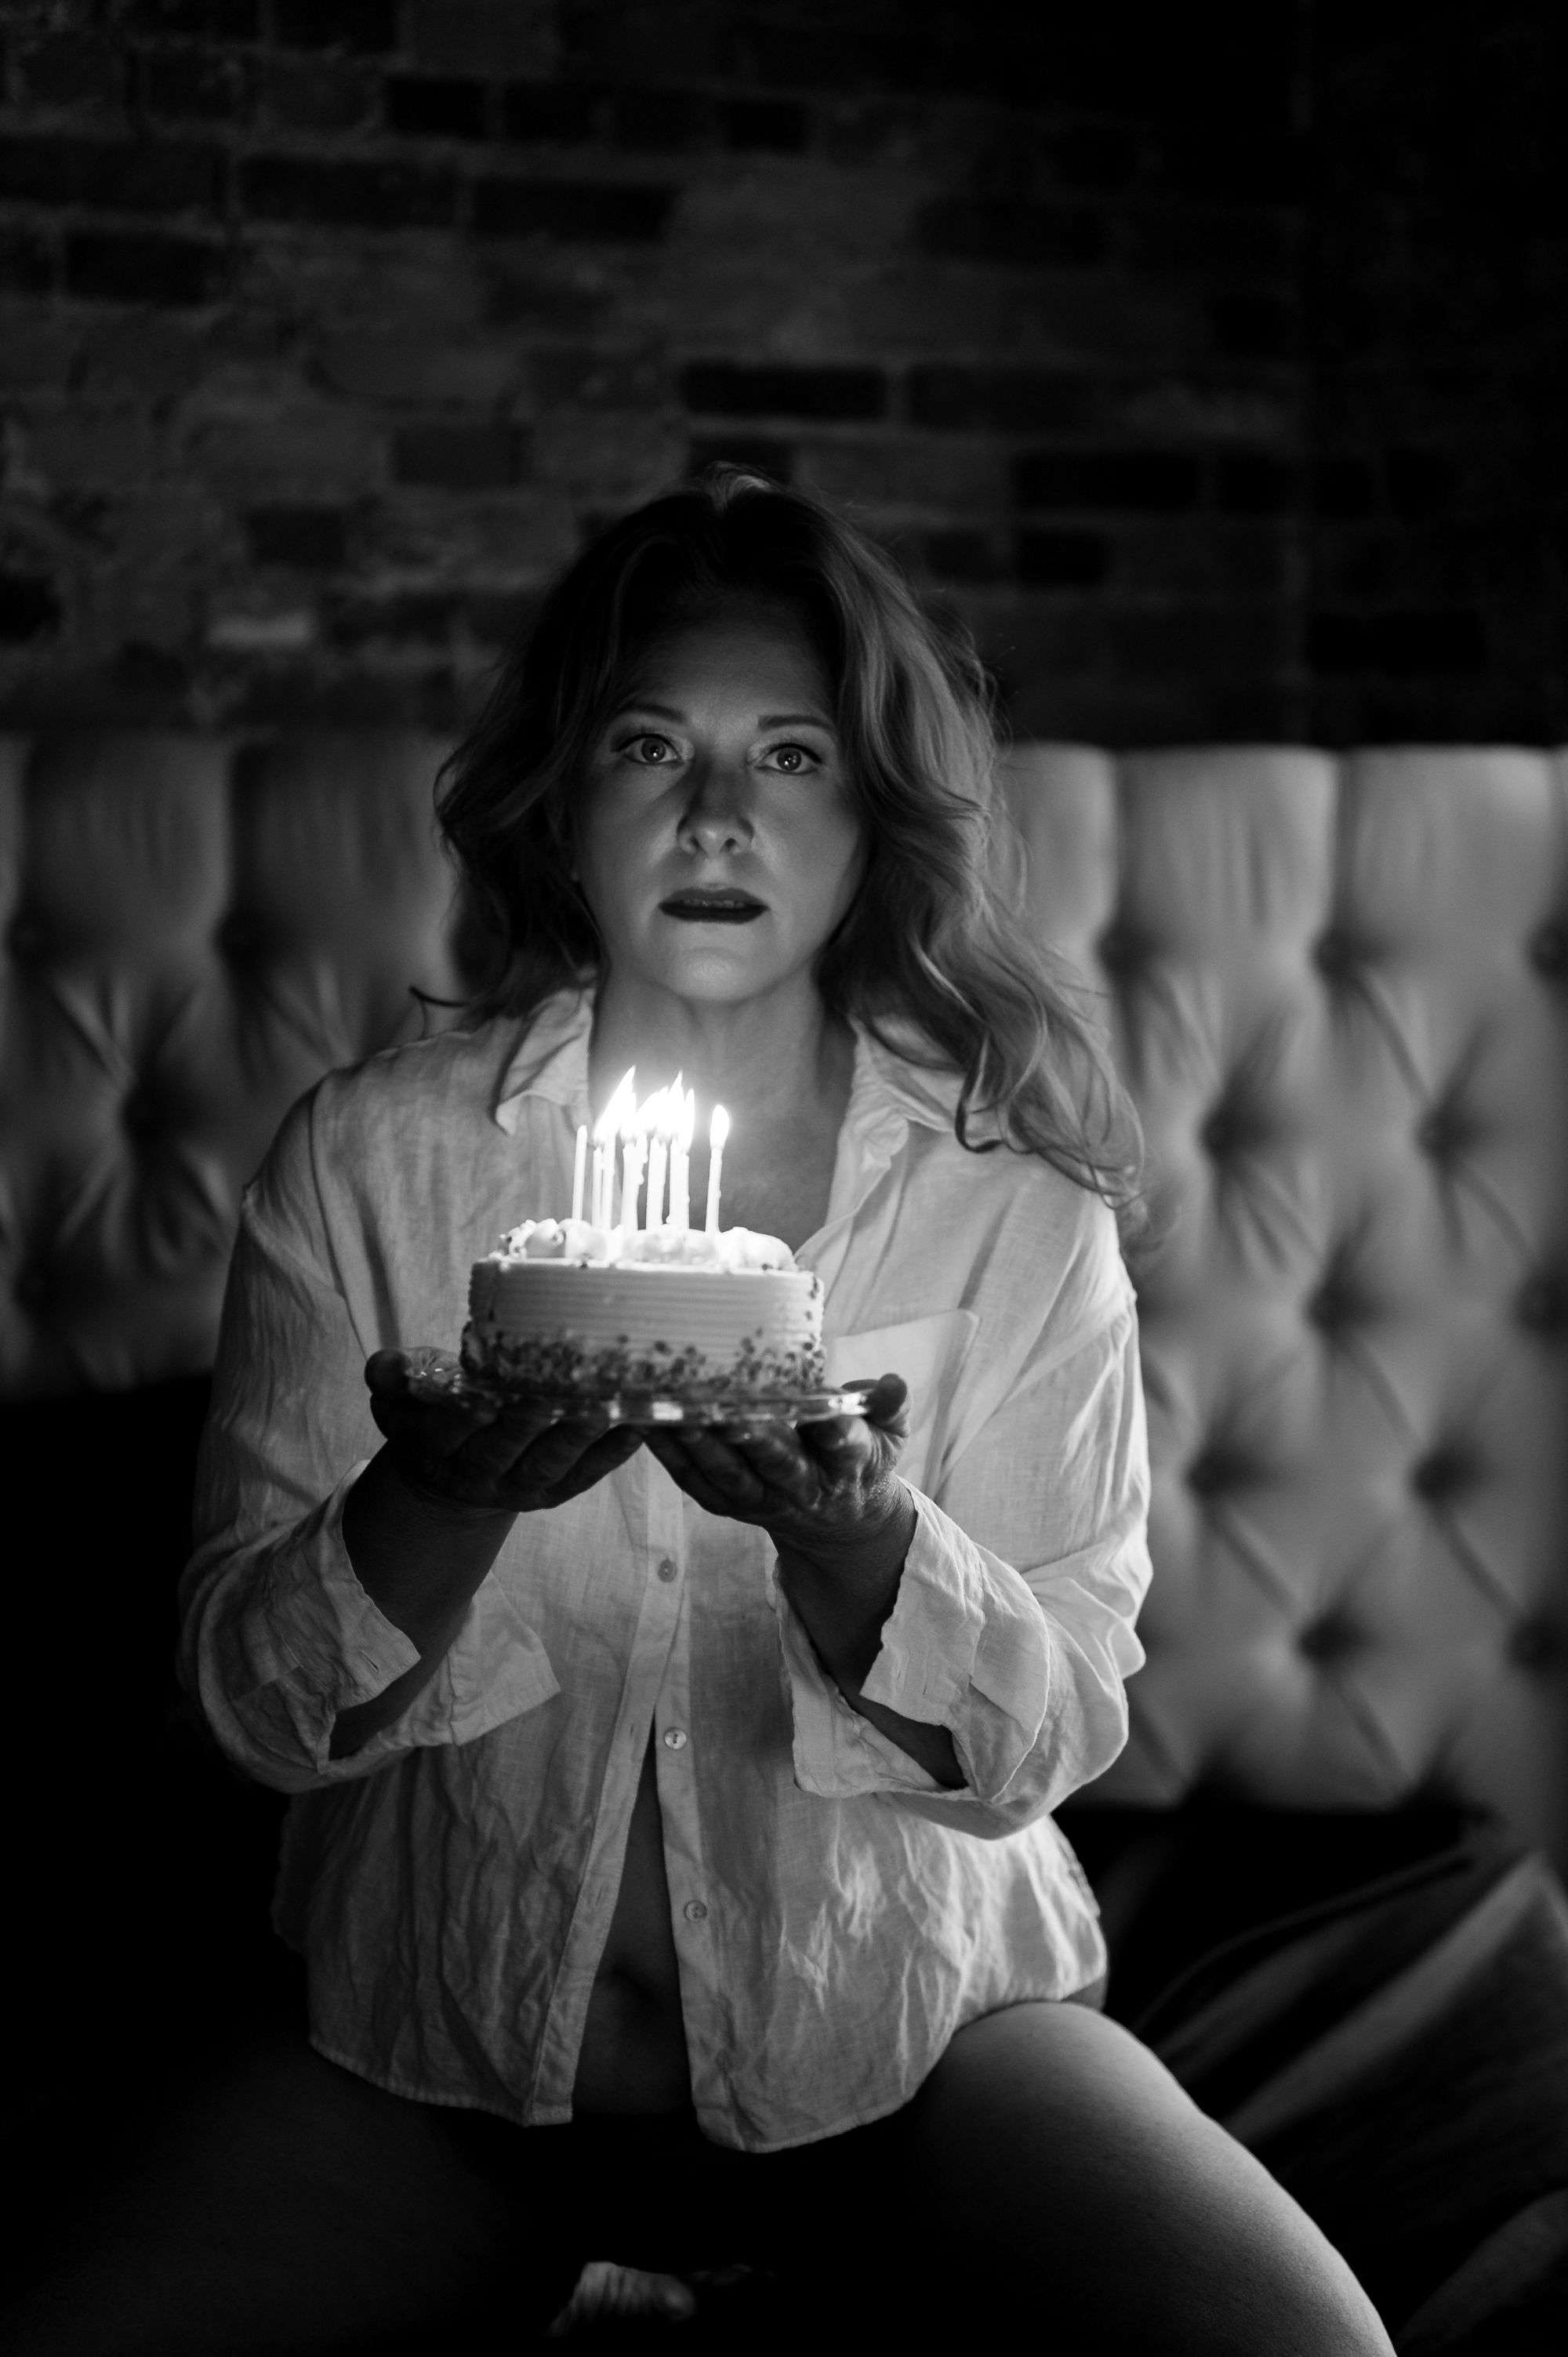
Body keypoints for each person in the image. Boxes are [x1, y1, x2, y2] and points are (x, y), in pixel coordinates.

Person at [164, 468, 1392, 2352]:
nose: (718, 813)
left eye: (791, 756)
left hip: (919, 2052)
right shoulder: (376, 1165)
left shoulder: (1012, 1202)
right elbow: (250, 1707)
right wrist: (437, 1504)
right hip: (442, 2052)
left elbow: (1056, 1728)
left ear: (870, 818)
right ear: (564, 805)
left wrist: (857, 1540)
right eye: (651, 745)